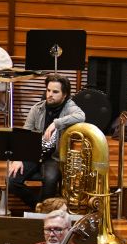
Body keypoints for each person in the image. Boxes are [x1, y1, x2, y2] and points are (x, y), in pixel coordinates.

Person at [8, 75, 85, 209]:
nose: (50, 95)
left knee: (50, 181)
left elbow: (81, 116)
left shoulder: (69, 107)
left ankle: (44, 215)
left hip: (54, 157)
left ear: (65, 94)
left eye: (55, 92)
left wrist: (56, 123)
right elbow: (25, 134)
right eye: (48, 90)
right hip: (33, 152)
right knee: (12, 181)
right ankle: (40, 208)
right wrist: (18, 158)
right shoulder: (37, 109)